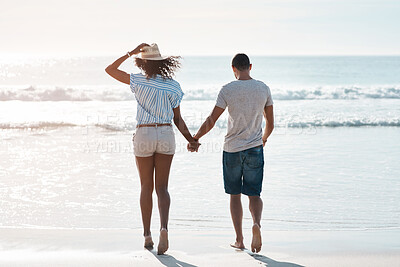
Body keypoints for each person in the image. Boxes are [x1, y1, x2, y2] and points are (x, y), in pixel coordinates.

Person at [105, 43, 200, 255]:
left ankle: (147, 234)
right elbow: (177, 119)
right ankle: (164, 229)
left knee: (145, 187)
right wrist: (191, 139)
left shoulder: (137, 80)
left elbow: (109, 70)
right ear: (162, 63)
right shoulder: (173, 86)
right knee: (162, 188)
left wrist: (131, 51)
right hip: (165, 133)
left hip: (144, 133)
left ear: (142, 62)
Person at [192, 53, 274, 253]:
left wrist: (195, 138)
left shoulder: (227, 89)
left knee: (234, 194)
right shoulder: (263, 88)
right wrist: (262, 140)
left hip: (232, 150)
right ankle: (256, 223)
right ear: (250, 66)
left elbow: (211, 120)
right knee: (254, 194)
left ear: (233, 68)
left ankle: (239, 239)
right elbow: (270, 124)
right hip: (255, 148)